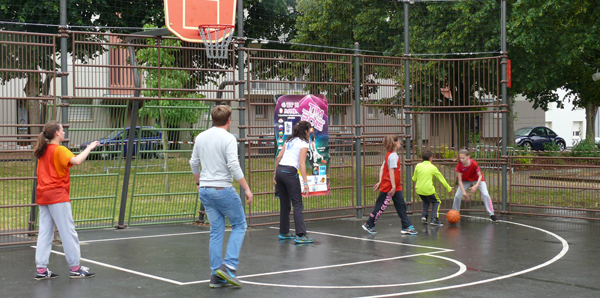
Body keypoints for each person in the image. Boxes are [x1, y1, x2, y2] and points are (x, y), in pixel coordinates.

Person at [189, 105, 254, 288]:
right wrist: (247, 189)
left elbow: (194, 162)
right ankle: (229, 266)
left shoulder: (200, 137)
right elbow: (233, 165)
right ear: (229, 121)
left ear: (213, 119)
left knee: (216, 231)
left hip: (206, 191)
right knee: (240, 224)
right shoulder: (228, 138)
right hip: (222, 189)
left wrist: (198, 183)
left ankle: (215, 276)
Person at [33, 120, 98, 280]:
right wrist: (89, 148)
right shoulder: (59, 150)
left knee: (45, 233)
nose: (63, 132)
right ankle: (75, 268)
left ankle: (41, 269)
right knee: (68, 232)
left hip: (43, 195)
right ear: (56, 133)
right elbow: (76, 160)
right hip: (57, 195)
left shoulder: (43, 150)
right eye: (62, 130)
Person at [361, 135, 417, 235]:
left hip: (395, 186)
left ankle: (406, 226)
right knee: (381, 207)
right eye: (399, 141)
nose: (400, 143)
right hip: (390, 187)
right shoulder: (393, 156)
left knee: (401, 206)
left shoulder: (389, 154)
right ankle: (369, 224)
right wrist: (392, 186)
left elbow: (382, 168)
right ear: (395, 143)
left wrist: (380, 181)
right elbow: (391, 171)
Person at [273, 121, 313, 244]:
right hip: (290, 172)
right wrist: (305, 183)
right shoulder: (304, 143)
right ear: (305, 131)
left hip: (280, 170)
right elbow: (301, 163)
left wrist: (275, 173)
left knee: (285, 204)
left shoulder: (288, 140)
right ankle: (300, 235)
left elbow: (279, 157)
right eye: (309, 131)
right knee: (297, 203)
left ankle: (284, 232)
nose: (310, 133)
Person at [452, 149, 499, 222]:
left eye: (463, 158)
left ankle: (492, 214)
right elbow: (460, 180)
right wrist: (464, 192)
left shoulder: (474, 164)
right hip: (465, 180)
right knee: (457, 196)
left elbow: (480, 176)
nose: (461, 160)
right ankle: (455, 213)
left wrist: (476, 186)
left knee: (486, 194)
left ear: (468, 157)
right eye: (460, 158)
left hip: (477, 179)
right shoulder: (459, 165)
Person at [412, 150, 453, 226]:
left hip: (419, 190)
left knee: (426, 201)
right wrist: (449, 188)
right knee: (437, 201)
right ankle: (434, 218)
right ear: (431, 158)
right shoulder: (432, 167)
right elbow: (441, 179)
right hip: (428, 190)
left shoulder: (418, 165)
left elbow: (414, 178)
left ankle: (424, 216)